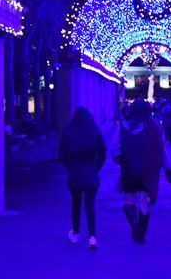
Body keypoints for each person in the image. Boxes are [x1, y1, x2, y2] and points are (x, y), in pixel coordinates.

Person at [112, 98, 171, 244]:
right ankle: (141, 233)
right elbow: (161, 150)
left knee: (129, 200)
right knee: (144, 202)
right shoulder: (154, 128)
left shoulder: (123, 127)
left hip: (128, 171)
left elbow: (115, 151)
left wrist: (122, 161)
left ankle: (134, 225)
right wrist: (168, 166)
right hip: (147, 172)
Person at [58, 107, 106, 249]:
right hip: (91, 171)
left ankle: (75, 233)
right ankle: (92, 237)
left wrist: (70, 165)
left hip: (75, 173)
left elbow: (61, 156)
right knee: (90, 205)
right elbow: (103, 151)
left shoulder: (68, 132)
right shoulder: (94, 131)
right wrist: (97, 166)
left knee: (76, 203)